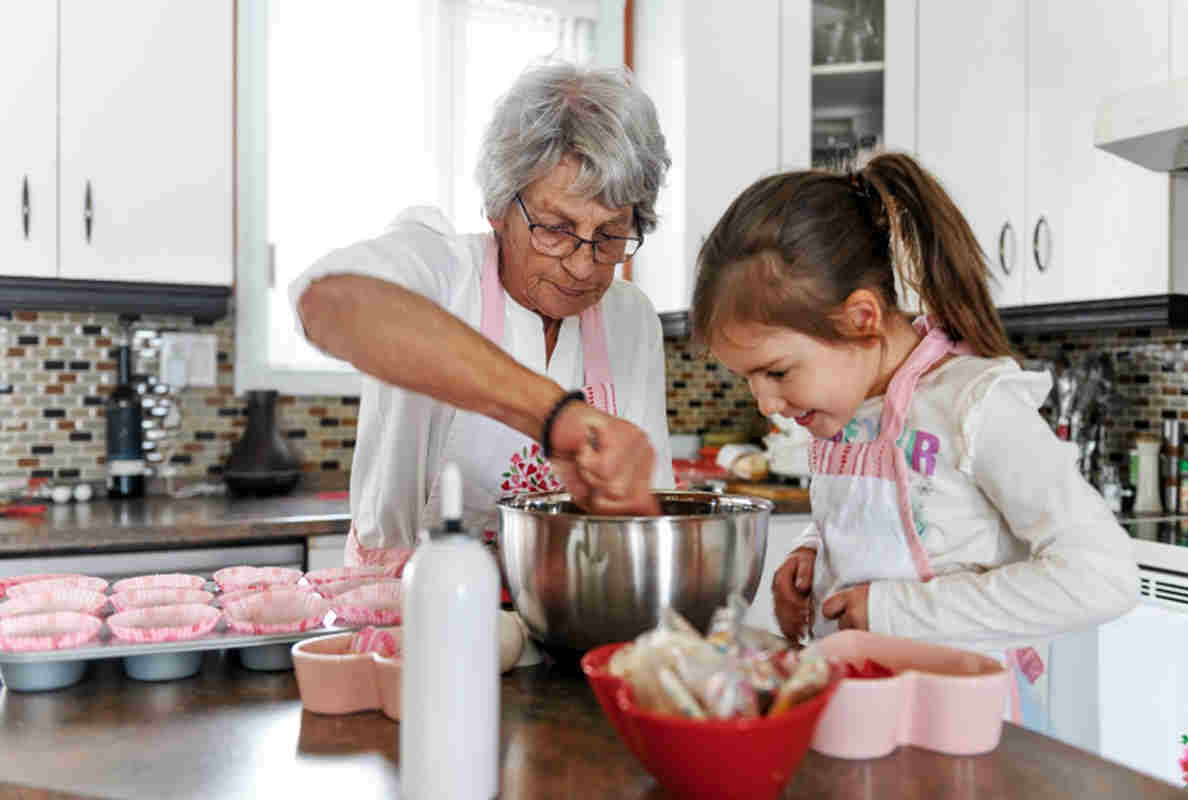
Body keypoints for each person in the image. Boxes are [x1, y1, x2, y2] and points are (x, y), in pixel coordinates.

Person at [690, 151, 1139, 728]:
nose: (766, 404)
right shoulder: (847, 406)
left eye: (776, 372)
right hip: (865, 715)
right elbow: (912, 510)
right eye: (749, 379)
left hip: (967, 724)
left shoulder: (973, 406)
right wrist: (813, 552)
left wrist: (894, 611)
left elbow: (1103, 577)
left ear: (862, 318)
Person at [291, 61, 674, 568]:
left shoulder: (631, 318)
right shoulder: (445, 270)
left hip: (560, 609)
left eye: (609, 235)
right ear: (498, 207)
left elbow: (650, 510)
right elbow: (327, 300)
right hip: (408, 610)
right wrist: (553, 415)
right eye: (556, 228)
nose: (584, 265)